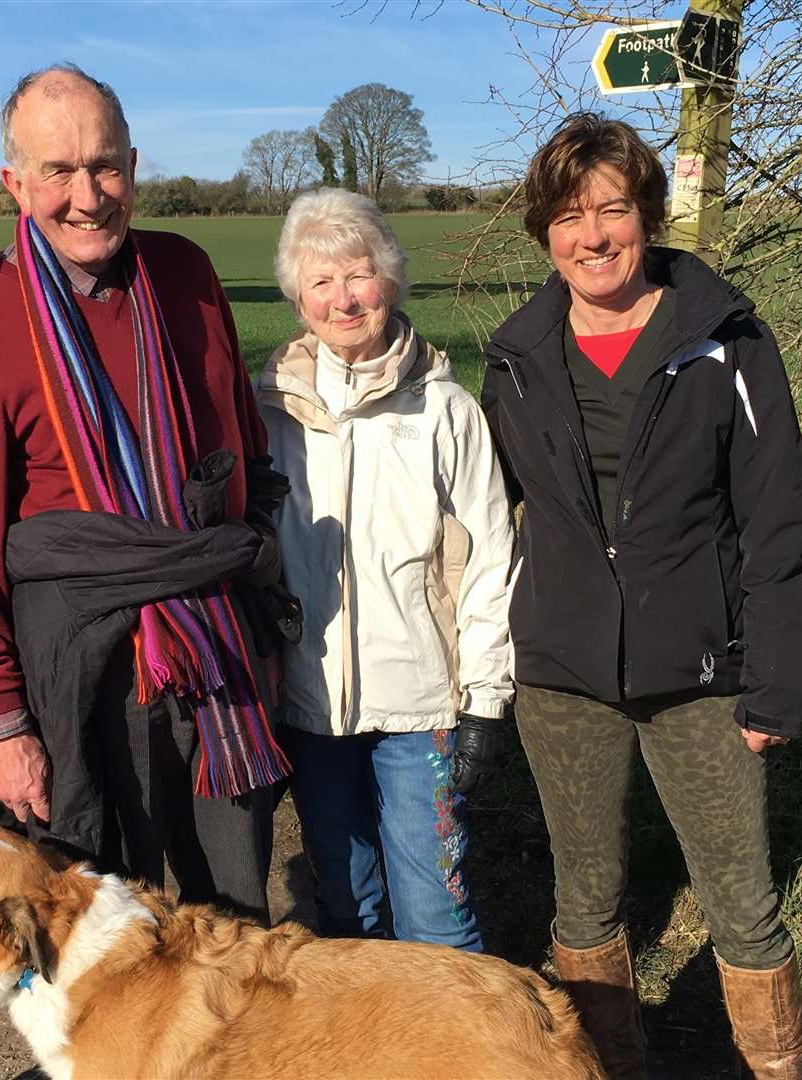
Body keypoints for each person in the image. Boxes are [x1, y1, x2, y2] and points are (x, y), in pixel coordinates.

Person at [481, 113, 802, 1079]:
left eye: (614, 210)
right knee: (584, 899)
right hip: (563, 676)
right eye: (570, 216)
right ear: (546, 231)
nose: (594, 237)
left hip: (703, 674)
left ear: (650, 216)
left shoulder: (726, 339)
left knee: (742, 899)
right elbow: (488, 508)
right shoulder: (514, 359)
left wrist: (775, 683)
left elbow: (778, 520)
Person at [0, 64, 288, 922]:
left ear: (134, 162)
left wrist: (260, 608)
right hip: (82, 670)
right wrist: (3, 729)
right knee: (88, 930)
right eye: (57, 171)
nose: (87, 196)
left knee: (231, 922)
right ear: (13, 184)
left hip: (215, 652)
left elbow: (246, 448)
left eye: (105, 165)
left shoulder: (187, 274)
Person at [256, 190, 516, 952]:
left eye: (359, 275)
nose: (343, 299)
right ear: (299, 299)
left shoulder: (443, 408)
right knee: (346, 915)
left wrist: (487, 700)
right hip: (310, 709)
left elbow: (492, 559)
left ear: (390, 281)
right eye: (321, 283)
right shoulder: (265, 410)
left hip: (422, 708)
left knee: (438, 921)